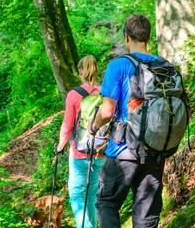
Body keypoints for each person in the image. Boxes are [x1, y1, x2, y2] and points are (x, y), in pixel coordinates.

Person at [87, 14, 165, 228]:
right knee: (146, 215)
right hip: (156, 150)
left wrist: (93, 127)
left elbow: (106, 112)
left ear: (126, 37)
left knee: (107, 203)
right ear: (148, 37)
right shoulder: (164, 66)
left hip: (124, 149)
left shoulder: (118, 66)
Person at [55, 55, 106, 228]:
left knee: (77, 195)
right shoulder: (105, 91)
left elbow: (68, 125)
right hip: (102, 150)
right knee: (92, 194)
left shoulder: (74, 95)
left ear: (81, 71)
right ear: (96, 70)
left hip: (79, 152)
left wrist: (60, 145)